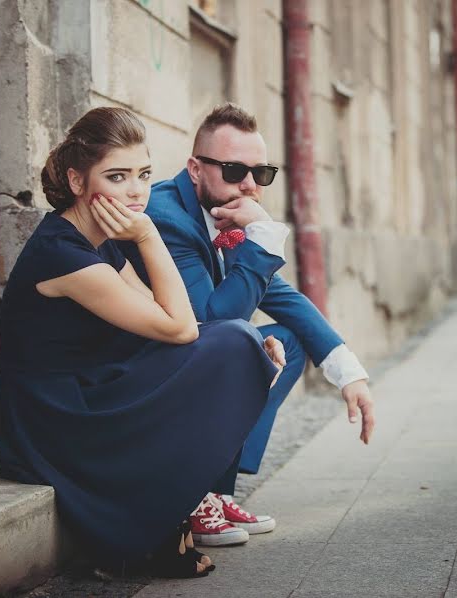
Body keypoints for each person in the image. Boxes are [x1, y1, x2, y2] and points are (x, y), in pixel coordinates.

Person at [0, 107, 284, 578]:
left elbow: (171, 319)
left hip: (91, 392)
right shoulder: (62, 254)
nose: (136, 191)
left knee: (238, 341)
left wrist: (250, 345)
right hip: (54, 420)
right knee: (231, 342)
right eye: (118, 176)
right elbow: (183, 330)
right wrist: (147, 234)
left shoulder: (100, 241)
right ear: (76, 180)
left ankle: (168, 510)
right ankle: (148, 527)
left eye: (144, 174)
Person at [121, 103, 376, 547]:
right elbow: (211, 329)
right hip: (136, 374)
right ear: (195, 168)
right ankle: (188, 491)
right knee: (240, 345)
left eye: (262, 173)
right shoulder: (167, 218)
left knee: (288, 342)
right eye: (235, 169)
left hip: (178, 365)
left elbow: (279, 295)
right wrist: (264, 237)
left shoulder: (227, 214)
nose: (250, 185)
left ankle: (215, 490)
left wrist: (348, 374)